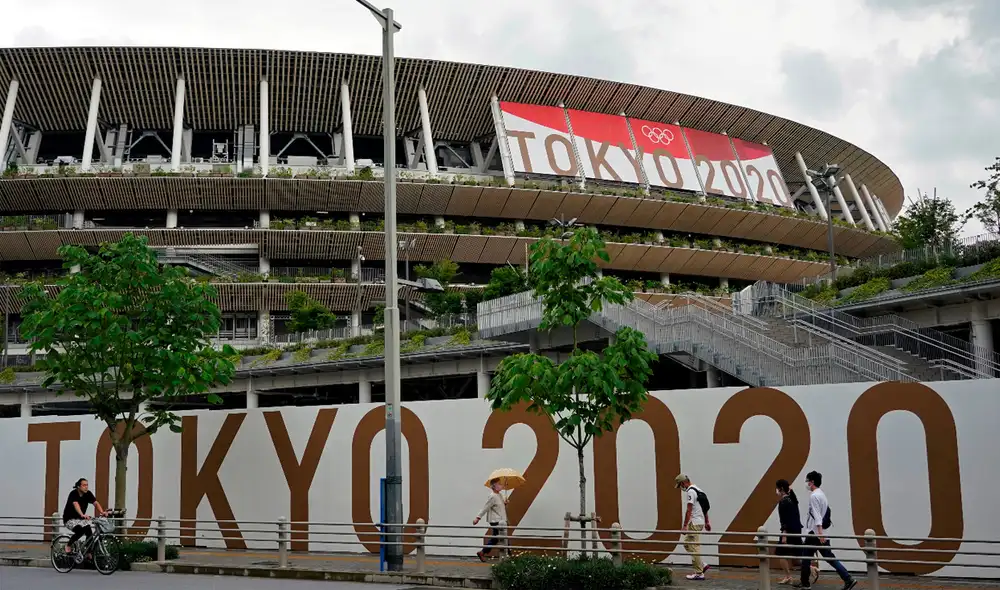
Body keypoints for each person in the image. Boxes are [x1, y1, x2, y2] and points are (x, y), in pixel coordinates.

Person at [798, 471, 856, 590]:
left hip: (814, 534)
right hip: (822, 533)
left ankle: (805, 583)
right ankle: (848, 578)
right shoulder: (822, 494)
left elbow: (817, 516)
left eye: (807, 480)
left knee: (805, 559)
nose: (806, 483)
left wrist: (819, 533)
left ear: (812, 482)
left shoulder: (814, 496)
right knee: (829, 557)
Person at [775, 478, 816, 585]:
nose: (776, 491)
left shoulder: (783, 502)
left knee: (780, 554)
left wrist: (784, 534)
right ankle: (811, 568)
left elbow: (784, 519)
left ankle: (788, 576)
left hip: (788, 532)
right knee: (798, 554)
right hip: (796, 530)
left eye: (777, 488)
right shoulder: (793, 499)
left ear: (781, 489)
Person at [676, 474, 711, 581]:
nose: (681, 488)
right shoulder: (698, 489)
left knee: (694, 547)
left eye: (680, 485)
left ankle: (699, 573)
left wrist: (685, 525)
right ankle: (702, 565)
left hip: (694, 523)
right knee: (687, 544)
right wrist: (706, 521)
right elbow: (704, 508)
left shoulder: (690, 492)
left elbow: (689, 510)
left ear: (683, 483)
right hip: (699, 522)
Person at [62, 478, 106, 554]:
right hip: (69, 519)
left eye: (87, 485)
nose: (86, 487)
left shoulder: (88, 494)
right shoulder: (73, 493)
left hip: (80, 519)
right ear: (79, 486)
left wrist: (102, 512)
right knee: (80, 531)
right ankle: (68, 545)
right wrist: (82, 514)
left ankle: (88, 553)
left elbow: (95, 503)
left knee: (89, 531)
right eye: (84, 485)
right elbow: (76, 504)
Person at [473, 478, 507, 562]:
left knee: (498, 538)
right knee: (501, 537)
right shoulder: (492, 496)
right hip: (495, 520)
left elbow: (499, 507)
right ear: (494, 486)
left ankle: (482, 552)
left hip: (501, 520)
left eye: (501, 484)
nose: (501, 485)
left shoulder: (500, 495)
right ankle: (508, 555)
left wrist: (505, 503)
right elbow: (486, 507)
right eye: (499, 484)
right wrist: (478, 518)